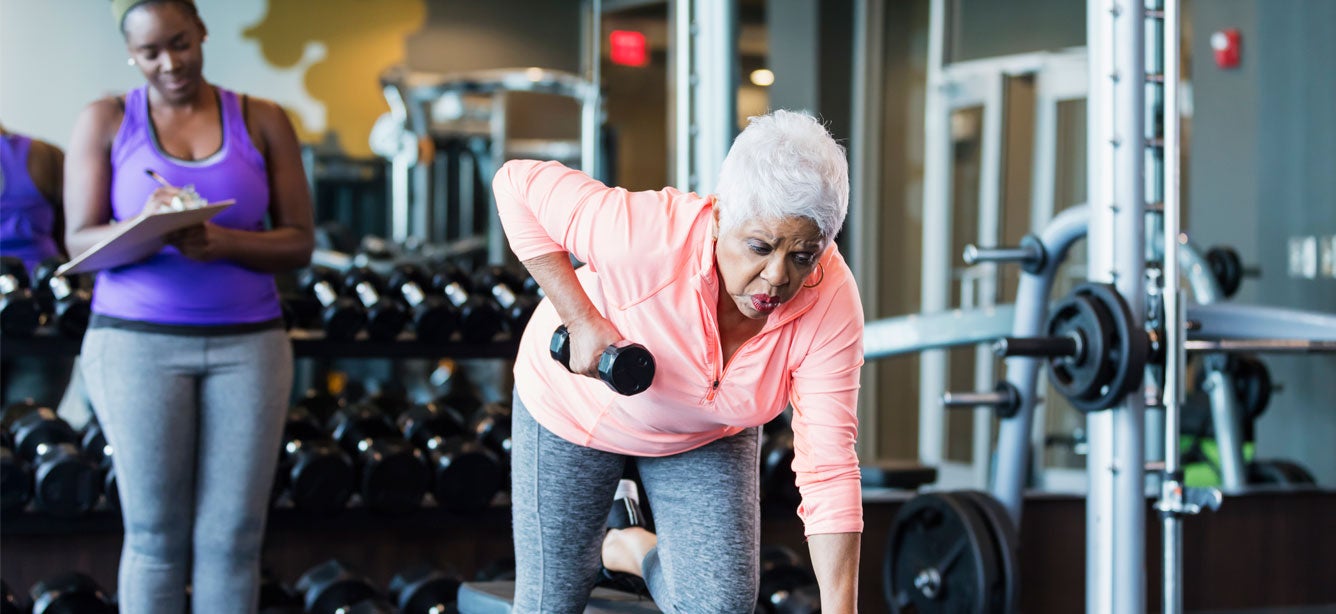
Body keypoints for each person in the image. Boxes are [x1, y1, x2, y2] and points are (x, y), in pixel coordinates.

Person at [494, 109, 864, 613]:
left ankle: (631, 546)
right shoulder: (644, 236)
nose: (778, 277)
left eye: (802, 256)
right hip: (577, 408)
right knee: (550, 603)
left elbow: (829, 467)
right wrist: (579, 319)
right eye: (759, 246)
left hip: (704, 431)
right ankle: (603, 547)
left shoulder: (831, 300)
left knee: (720, 607)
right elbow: (515, 185)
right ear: (717, 218)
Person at [63, 1, 313, 611]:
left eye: (180, 43)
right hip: (133, 344)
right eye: (150, 52)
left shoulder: (263, 119)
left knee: (232, 539)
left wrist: (224, 240)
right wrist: (145, 224)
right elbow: (77, 239)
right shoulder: (105, 119)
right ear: (132, 54)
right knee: (153, 537)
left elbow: (300, 241)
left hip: (249, 347)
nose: (169, 63)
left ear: (202, 33)